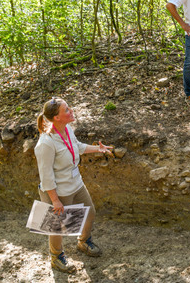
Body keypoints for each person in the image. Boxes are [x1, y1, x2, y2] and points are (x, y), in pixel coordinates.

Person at [34, 97, 114, 273]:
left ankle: (83, 242)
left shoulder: (67, 128)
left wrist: (97, 149)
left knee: (89, 212)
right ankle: (56, 257)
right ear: (57, 118)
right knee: (58, 227)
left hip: (75, 183)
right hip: (57, 191)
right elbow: (46, 176)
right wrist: (55, 200)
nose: (71, 111)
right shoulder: (45, 143)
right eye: (67, 110)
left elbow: (76, 146)